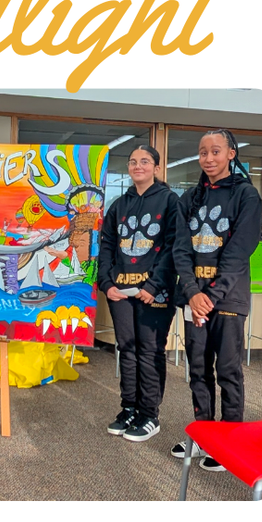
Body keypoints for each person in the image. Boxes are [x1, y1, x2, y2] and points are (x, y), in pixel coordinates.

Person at [171, 128, 262, 471]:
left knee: (227, 370)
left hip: (227, 299)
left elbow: (239, 253)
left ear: (231, 154)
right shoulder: (188, 198)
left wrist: (209, 297)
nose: (208, 158)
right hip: (195, 299)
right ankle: (203, 434)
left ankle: (231, 438)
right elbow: (180, 249)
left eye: (216, 151)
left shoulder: (246, 196)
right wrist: (193, 294)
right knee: (197, 370)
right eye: (203, 152)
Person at [98, 145, 178, 442]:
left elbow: (173, 248)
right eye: (133, 161)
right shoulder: (119, 204)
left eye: (145, 161)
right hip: (120, 290)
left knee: (150, 350)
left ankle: (149, 415)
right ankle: (129, 407)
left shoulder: (170, 201)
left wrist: (153, 286)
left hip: (153, 291)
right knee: (127, 349)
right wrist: (106, 284)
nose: (138, 166)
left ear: (156, 167)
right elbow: (106, 247)